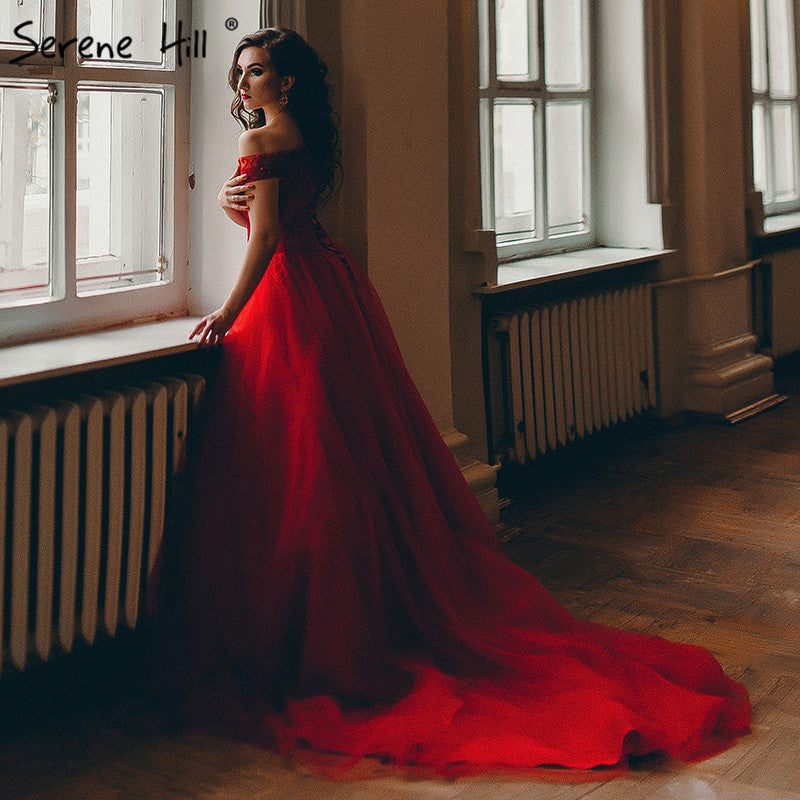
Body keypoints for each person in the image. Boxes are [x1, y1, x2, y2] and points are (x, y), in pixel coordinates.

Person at [169, 27, 750, 780]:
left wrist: (227, 309)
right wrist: (232, 206)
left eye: (259, 72)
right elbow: (276, 223)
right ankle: (354, 620)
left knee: (305, 470)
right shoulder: (299, 133)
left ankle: (321, 639)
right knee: (345, 462)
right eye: (241, 73)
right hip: (330, 289)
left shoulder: (265, 140)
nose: (245, 85)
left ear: (287, 82)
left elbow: (268, 237)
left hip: (290, 298)